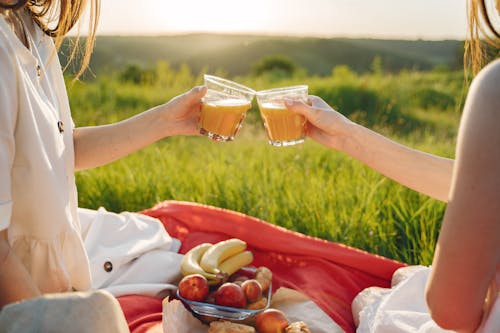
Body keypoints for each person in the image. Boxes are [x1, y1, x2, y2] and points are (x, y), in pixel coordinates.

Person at [286, 0, 499, 332]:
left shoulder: (495, 88)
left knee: (371, 299)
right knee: (402, 282)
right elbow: (479, 187)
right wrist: (348, 136)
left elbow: (451, 311)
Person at [0, 0, 205, 315]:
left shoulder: (25, 22)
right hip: (21, 279)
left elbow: (58, 149)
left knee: (154, 243)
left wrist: (166, 120)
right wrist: (49, 320)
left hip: (54, 242)